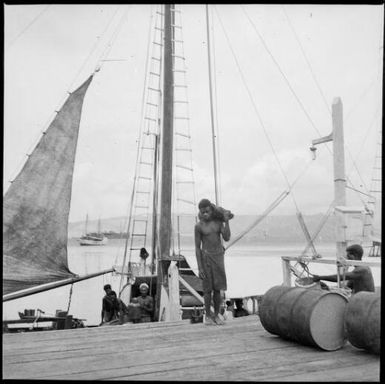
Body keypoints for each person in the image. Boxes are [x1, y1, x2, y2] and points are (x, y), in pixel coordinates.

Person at [194, 198, 232, 326]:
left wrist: (226, 222)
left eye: (207, 211)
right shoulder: (198, 226)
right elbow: (197, 248)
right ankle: (208, 316)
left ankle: (216, 315)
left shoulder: (218, 222)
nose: (205, 214)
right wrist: (200, 268)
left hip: (218, 258)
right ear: (200, 212)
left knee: (218, 289)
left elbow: (226, 237)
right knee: (207, 290)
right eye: (202, 212)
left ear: (211, 210)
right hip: (206, 259)